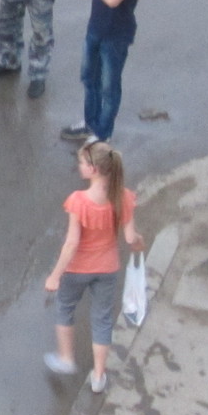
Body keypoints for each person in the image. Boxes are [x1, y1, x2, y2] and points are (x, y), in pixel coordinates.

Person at [43, 140, 145, 393]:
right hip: (107, 269)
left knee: (65, 308)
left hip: (77, 270)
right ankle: (99, 376)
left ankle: (66, 358)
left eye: (82, 163)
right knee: (101, 319)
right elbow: (131, 238)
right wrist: (139, 242)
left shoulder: (79, 201)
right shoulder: (124, 197)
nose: (79, 166)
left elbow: (71, 243)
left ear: (94, 170)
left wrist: (55, 275)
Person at [62, 0, 149, 144]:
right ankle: (89, 122)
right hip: (95, 27)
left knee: (110, 86)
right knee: (89, 76)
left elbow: (113, 0)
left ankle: (103, 134)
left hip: (117, 35)